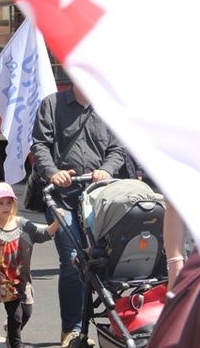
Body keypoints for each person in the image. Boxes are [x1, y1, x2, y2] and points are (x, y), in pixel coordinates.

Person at [30, 83, 124, 347]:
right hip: (63, 198)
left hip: (99, 200)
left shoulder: (108, 107)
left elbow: (117, 150)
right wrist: (52, 172)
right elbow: (40, 145)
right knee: (73, 261)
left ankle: (111, 325)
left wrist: (106, 169)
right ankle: (71, 330)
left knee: (105, 262)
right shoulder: (52, 104)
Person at [0, 183, 62, 348]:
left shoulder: (22, 224)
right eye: (0, 203)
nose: (5, 206)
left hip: (23, 280)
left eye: (9, 202)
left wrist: (57, 221)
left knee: (26, 312)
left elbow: (42, 234)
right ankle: (15, 342)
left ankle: (11, 330)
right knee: (15, 316)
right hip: (5, 283)